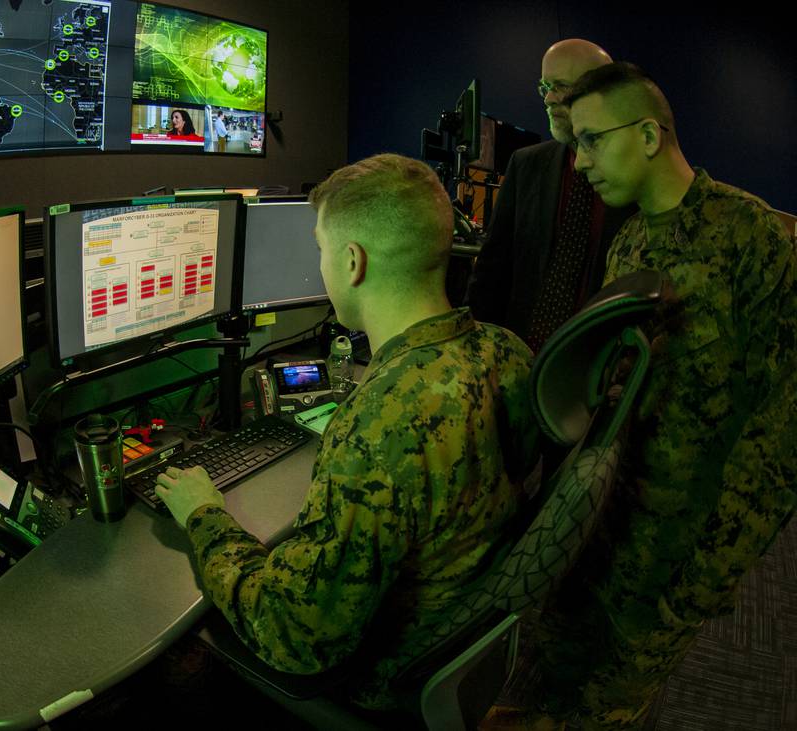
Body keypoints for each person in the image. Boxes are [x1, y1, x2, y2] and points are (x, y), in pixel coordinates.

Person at [154, 153, 540, 711]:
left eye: (321, 249)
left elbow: (294, 635)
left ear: (353, 261)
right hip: (464, 643)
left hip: (388, 675)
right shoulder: (508, 352)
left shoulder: (375, 427)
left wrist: (204, 516)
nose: (321, 267)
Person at [530, 62, 797, 729]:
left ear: (648, 136)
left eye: (592, 140)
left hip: (682, 547)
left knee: (611, 705)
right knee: (554, 671)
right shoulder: (628, 245)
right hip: (604, 520)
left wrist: (711, 572)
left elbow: (781, 433)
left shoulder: (753, 237)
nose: (579, 162)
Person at [467, 39, 634, 353]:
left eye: (562, 86)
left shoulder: (633, 174)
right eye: (545, 86)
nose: (548, 98)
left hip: (598, 362)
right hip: (519, 355)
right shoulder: (526, 164)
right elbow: (492, 271)